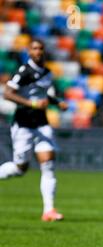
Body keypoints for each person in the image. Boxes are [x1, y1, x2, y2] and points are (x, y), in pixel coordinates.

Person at [0, 39, 67, 221]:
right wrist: (31, 103)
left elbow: (44, 93)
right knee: (20, 168)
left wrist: (56, 102)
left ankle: (49, 211)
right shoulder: (24, 72)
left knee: (48, 164)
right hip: (23, 124)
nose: (38, 52)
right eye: (34, 49)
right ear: (29, 52)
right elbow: (7, 93)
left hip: (42, 123)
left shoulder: (47, 72)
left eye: (41, 48)